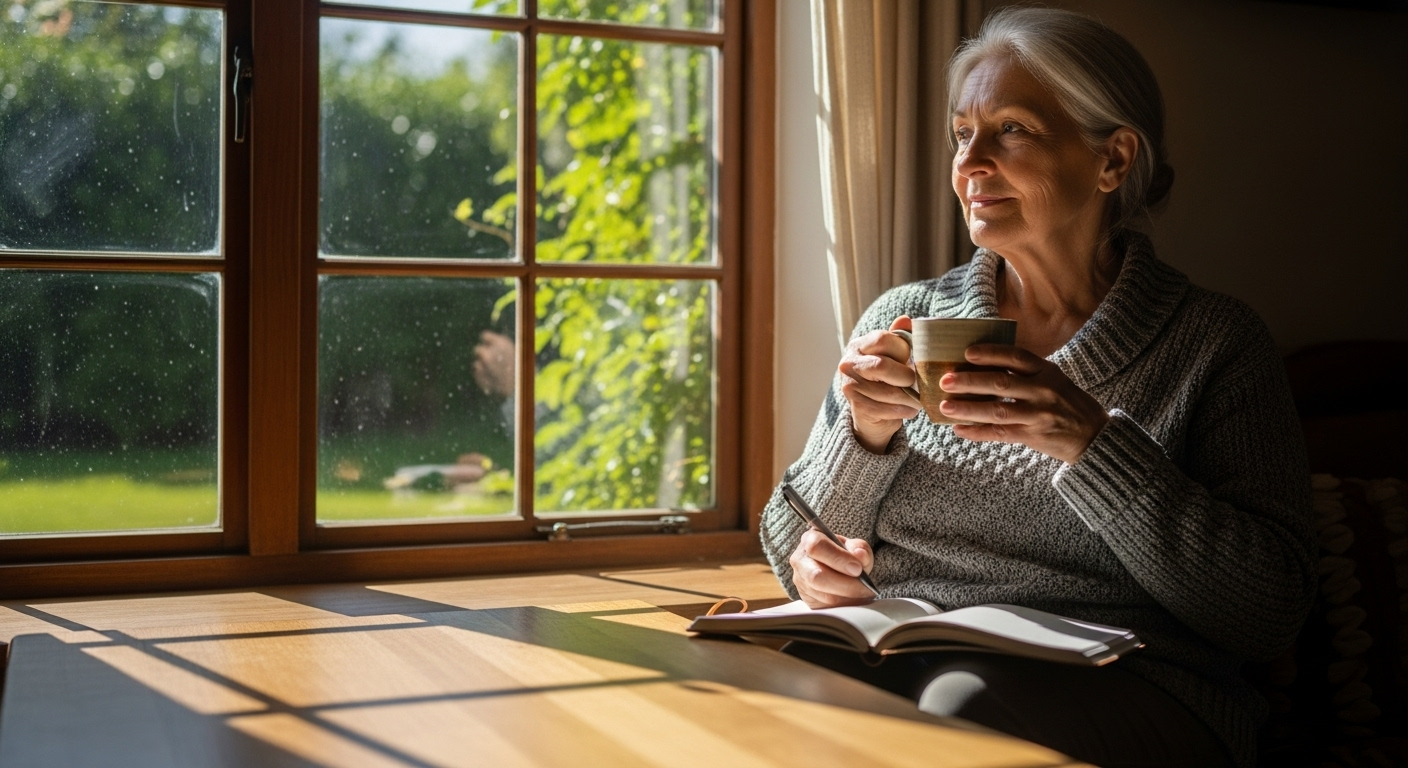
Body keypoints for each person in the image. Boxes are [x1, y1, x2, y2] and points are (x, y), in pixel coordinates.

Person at [760, 8, 1314, 768]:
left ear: (1112, 160)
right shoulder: (902, 319)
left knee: (956, 712)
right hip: (902, 660)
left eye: (1012, 129)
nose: (970, 163)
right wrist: (861, 442)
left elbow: (1268, 613)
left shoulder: (1213, 343)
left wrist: (1090, 443)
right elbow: (788, 552)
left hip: (1141, 687)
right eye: (962, 134)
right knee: (765, 693)